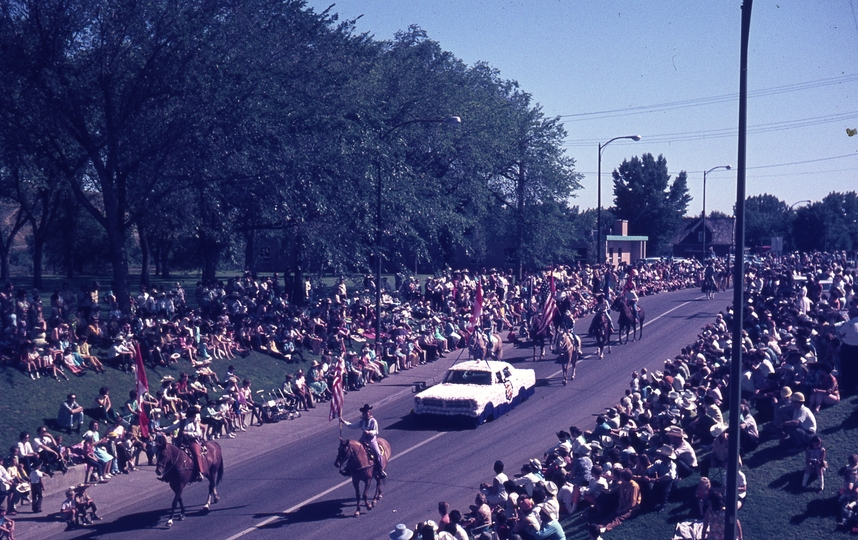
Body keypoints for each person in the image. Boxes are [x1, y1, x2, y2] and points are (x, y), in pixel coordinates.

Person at [159, 406, 207, 482]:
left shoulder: (195, 423)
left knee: (196, 454)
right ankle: (166, 474)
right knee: (170, 454)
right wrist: (161, 429)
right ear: (190, 415)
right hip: (181, 441)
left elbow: (198, 433)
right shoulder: (182, 422)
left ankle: (200, 472)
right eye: (194, 414)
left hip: (192, 441)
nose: (195, 416)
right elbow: (172, 427)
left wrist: (188, 433)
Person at [340, 404, 386, 478]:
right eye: (365, 412)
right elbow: (353, 426)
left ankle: (380, 470)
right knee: (353, 452)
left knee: (378, 454)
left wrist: (369, 432)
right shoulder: (362, 422)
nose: (367, 413)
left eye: (368, 411)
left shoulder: (373, 421)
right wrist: (344, 422)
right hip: (363, 439)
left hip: (371, 440)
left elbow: (376, 431)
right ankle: (347, 468)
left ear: (370, 412)